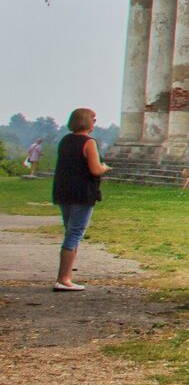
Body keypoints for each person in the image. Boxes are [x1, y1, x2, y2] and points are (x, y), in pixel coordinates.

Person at [50, 107, 109, 292]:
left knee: (70, 230)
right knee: (75, 233)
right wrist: (105, 168)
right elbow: (94, 169)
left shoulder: (65, 140)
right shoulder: (89, 142)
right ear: (87, 121)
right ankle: (64, 278)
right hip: (82, 192)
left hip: (64, 191)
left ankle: (67, 273)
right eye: (93, 118)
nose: (95, 122)